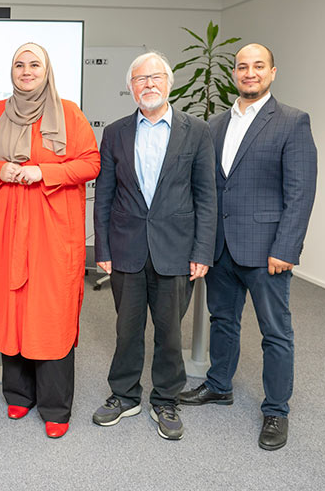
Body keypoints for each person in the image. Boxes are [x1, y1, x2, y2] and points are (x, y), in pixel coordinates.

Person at [179, 43, 317, 451]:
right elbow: (208, 188)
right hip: (221, 247)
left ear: (273, 72)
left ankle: (276, 409)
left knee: (276, 332)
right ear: (234, 73)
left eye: (258, 66)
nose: (250, 72)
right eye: (243, 66)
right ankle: (220, 385)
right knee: (223, 320)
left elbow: (301, 191)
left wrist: (287, 247)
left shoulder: (292, 122)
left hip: (268, 250)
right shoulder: (215, 124)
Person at [0, 42, 100, 439]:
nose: (26, 71)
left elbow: (90, 162)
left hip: (51, 231)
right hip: (7, 228)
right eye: (19, 65)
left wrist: (45, 172)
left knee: (50, 312)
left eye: (34, 65)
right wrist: (1, 168)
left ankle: (55, 405)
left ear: (47, 71)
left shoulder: (69, 114)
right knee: (13, 306)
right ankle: (19, 392)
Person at [91, 51, 216, 441]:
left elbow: (206, 196)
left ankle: (165, 399)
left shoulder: (196, 130)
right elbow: (105, 195)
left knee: (169, 332)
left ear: (169, 83)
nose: (148, 84)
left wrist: (202, 251)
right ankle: (124, 395)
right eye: (140, 79)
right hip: (126, 247)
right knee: (126, 330)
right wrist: (103, 249)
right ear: (130, 88)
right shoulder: (114, 132)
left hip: (176, 250)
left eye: (155, 77)